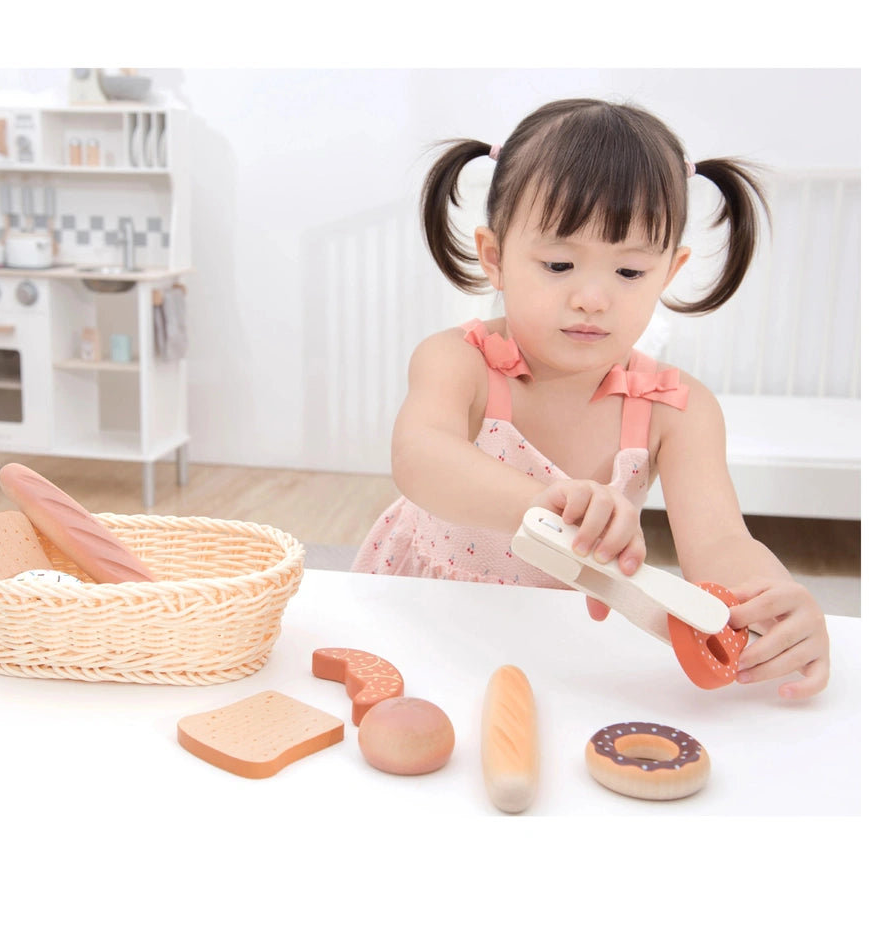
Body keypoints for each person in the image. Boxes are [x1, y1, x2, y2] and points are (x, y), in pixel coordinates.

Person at [352, 97, 829, 699]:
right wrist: (546, 502)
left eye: (629, 273)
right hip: (432, 607)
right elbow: (421, 457)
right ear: (495, 257)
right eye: (558, 263)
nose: (593, 298)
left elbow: (720, 544)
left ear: (669, 271)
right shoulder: (460, 360)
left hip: (567, 639)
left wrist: (775, 607)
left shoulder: (677, 408)